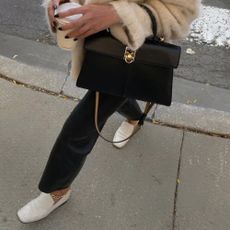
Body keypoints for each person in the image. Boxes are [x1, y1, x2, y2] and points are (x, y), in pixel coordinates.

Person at [17, 0, 200, 223]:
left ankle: (57, 190)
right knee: (116, 89)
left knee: (79, 128)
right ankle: (135, 118)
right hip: (99, 46)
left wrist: (119, 14)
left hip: (132, 53)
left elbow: (182, 13)